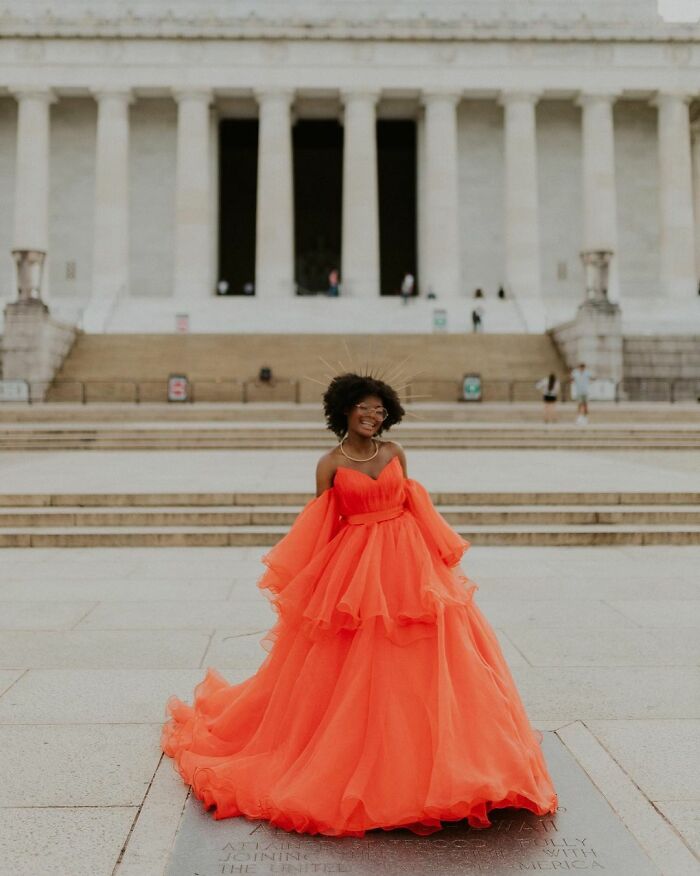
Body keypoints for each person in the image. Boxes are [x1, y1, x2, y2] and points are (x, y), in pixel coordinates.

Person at [161, 372, 558, 837]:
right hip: (356, 567)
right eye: (365, 410)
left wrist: (435, 567)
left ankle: (454, 766)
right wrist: (316, 584)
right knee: (359, 660)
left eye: (380, 411)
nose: (373, 418)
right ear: (344, 410)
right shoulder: (329, 464)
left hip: (408, 564)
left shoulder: (394, 454)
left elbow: (415, 508)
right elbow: (322, 524)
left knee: (430, 659)